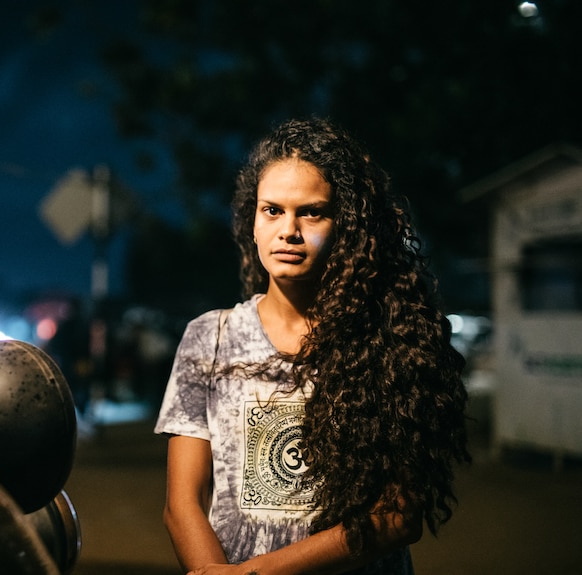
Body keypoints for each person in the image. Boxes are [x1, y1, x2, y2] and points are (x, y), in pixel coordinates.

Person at [154, 118, 470, 575]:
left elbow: (398, 517)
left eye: (313, 212)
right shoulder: (210, 337)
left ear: (348, 226)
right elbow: (181, 503)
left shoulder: (390, 338)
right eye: (273, 211)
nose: (289, 230)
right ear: (253, 222)